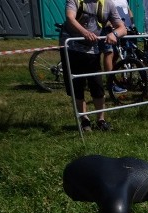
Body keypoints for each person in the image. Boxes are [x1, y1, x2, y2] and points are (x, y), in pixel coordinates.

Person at [60, 0, 128, 132]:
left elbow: (122, 28)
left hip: (93, 49)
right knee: (77, 86)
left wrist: (114, 34)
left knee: (97, 85)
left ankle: (101, 120)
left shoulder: (108, 4)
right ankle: (84, 120)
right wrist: (84, 32)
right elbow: (70, 18)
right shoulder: (75, 1)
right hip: (71, 48)